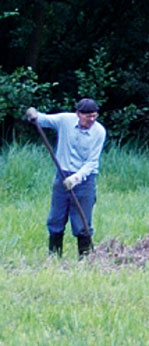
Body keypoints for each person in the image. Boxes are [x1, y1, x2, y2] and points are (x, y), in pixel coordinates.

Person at [25, 98, 107, 258]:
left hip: (84, 180)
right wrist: (33, 114)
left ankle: (85, 259)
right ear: (78, 114)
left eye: (94, 116)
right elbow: (43, 120)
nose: (91, 120)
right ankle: (54, 258)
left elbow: (92, 162)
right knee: (56, 218)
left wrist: (75, 179)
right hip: (62, 175)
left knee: (82, 222)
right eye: (87, 116)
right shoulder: (65, 120)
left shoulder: (99, 131)